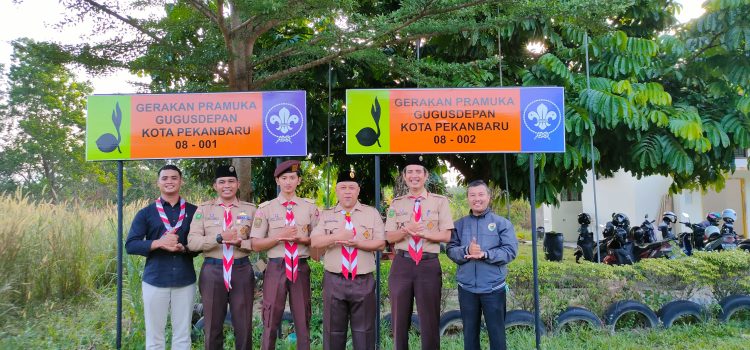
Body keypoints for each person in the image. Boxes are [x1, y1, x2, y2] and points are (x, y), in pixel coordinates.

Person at [310, 168, 386, 350]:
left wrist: (358, 243)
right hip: (334, 281)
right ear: (336, 190)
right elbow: (315, 241)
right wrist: (338, 236)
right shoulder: (327, 215)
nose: (347, 191)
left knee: (365, 334)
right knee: (333, 334)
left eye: (352, 187)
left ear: (358, 190)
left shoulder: (371, 213)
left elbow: (381, 243)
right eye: (343, 187)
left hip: (363, 281)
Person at [125, 164, 198, 350]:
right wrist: (159, 242)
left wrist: (185, 248)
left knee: (182, 335)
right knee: (155, 336)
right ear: (158, 183)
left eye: (174, 178)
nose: (169, 181)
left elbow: (198, 246)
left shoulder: (194, 212)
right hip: (155, 281)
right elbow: (131, 245)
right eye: (165, 178)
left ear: (181, 181)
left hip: (185, 280)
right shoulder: (146, 213)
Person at [385, 155, 454, 349]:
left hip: (428, 264)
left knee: (429, 320)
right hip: (402, 264)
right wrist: (404, 231)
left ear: (426, 176)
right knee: (399, 319)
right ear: (404, 176)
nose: (414, 176)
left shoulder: (440, 202)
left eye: (418, 172)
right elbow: (389, 237)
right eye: (410, 172)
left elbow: (447, 236)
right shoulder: (397, 203)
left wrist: (427, 234)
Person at [250, 160, 320, 350]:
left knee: (303, 320)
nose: (288, 182)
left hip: (300, 265)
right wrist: (279, 237)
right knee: (270, 319)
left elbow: (318, 240)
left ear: (299, 180)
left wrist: (302, 239)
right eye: (284, 178)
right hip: (275, 267)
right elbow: (255, 244)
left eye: (292, 177)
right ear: (277, 181)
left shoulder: (310, 208)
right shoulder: (266, 209)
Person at [187, 165, 257, 350]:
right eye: (222, 182)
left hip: (241, 269)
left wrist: (242, 243)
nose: (227, 185)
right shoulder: (203, 210)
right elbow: (192, 242)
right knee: (212, 325)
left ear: (238, 184)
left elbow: (259, 241)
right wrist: (219, 238)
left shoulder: (251, 210)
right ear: (215, 186)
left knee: (243, 325)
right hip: (213, 270)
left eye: (231, 181)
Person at [447, 180, 518, 350]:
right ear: (468, 198)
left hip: (494, 289)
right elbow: (450, 250)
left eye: (481, 194)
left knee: (497, 335)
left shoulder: (502, 224)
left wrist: (485, 254)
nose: (477, 199)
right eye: (472, 195)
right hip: (467, 289)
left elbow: (510, 251)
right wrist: (466, 250)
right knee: (469, 336)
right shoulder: (459, 224)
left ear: (488, 196)